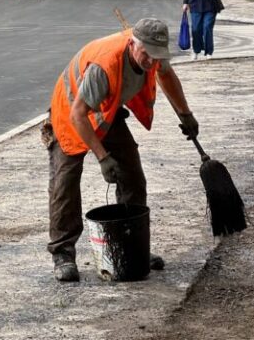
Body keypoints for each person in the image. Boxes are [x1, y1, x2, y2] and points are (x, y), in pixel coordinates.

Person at [46, 18, 199, 282]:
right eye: (146, 55)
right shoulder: (104, 66)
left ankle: (132, 245)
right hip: (70, 113)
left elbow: (166, 75)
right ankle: (62, 253)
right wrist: (103, 157)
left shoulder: (153, 52)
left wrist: (186, 114)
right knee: (66, 181)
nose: (151, 62)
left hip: (106, 108)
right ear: (132, 44)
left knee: (133, 174)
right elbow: (79, 115)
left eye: (156, 57)